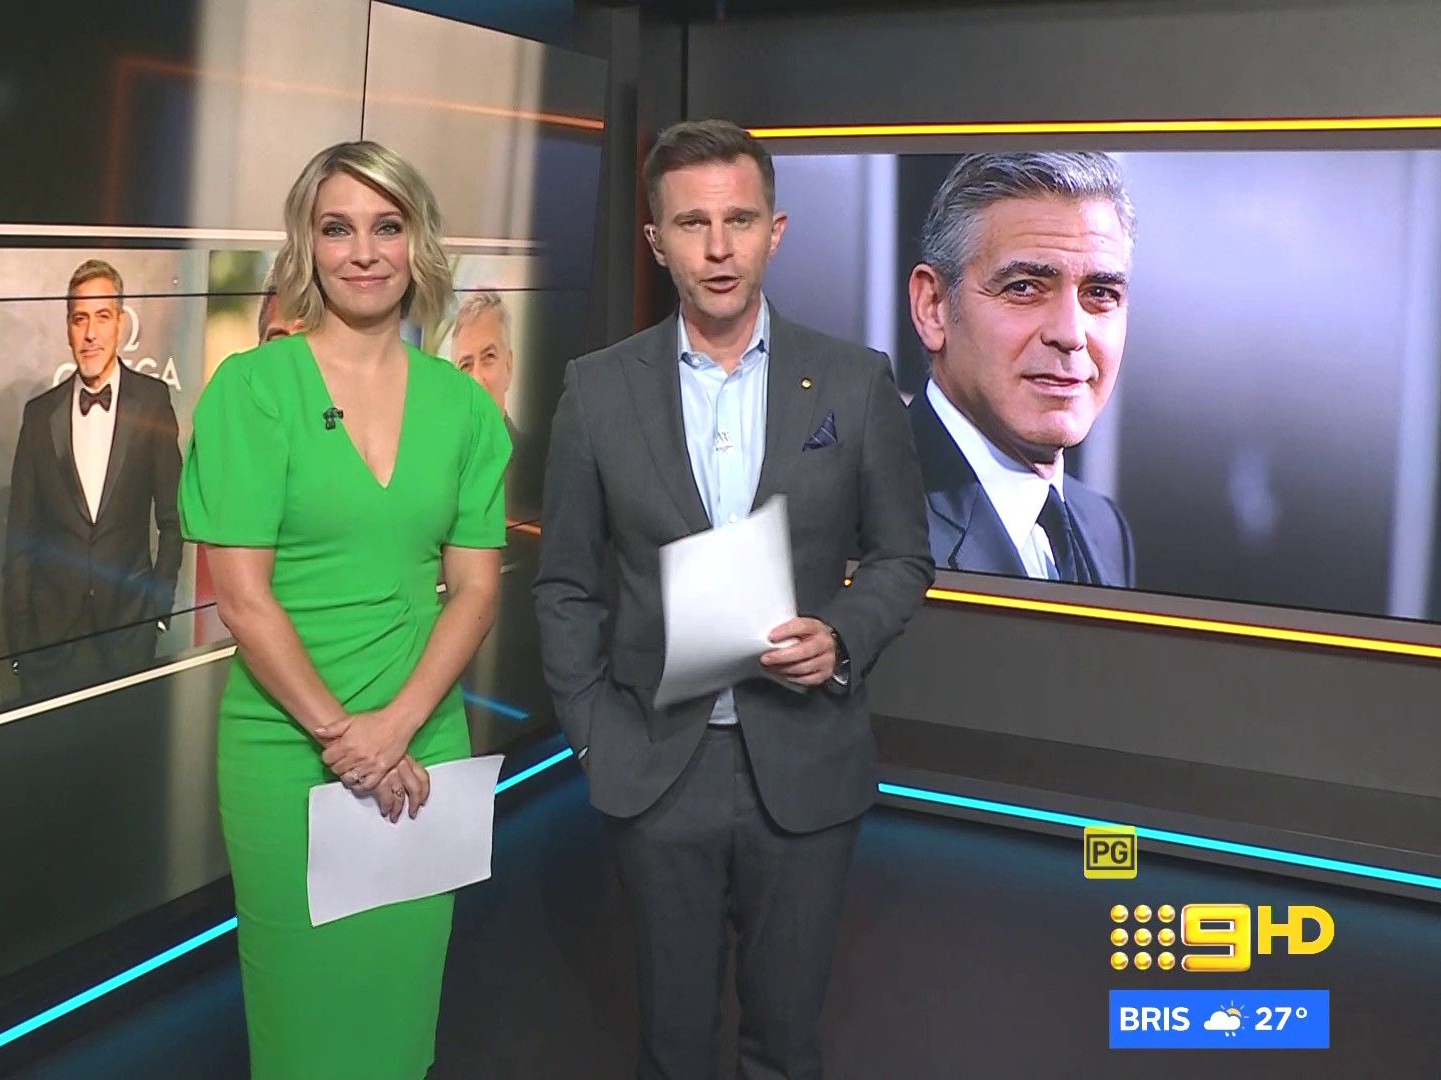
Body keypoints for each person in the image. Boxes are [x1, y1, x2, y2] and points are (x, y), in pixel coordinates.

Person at [534, 119, 933, 1079]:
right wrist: (594, 737)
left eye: (740, 221)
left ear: (775, 232)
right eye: (692, 224)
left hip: (805, 763)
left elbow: (902, 557)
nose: (718, 248)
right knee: (671, 1043)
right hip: (656, 767)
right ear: (655, 240)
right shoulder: (597, 392)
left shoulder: (855, 381)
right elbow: (567, 585)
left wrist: (840, 636)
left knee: (785, 1043)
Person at [181, 141, 508, 1079]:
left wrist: (394, 730)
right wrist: (344, 738)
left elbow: (476, 589)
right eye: (337, 228)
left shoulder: (465, 409)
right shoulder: (252, 391)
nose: (363, 251)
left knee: (398, 1017)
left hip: (421, 741)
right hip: (288, 746)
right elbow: (243, 600)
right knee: (303, 1024)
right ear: (308, 246)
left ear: (417, 243)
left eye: (386, 226)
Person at [905, 151, 1137, 587]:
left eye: (1100, 293)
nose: (1071, 334)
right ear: (933, 307)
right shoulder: (855, 521)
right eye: (1025, 287)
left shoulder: (1105, 529)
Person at [2, 259, 185, 701]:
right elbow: (20, 535)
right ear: (68, 328)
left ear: (120, 323)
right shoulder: (39, 415)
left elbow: (173, 519)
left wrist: (157, 612)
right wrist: (21, 643)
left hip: (128, 635)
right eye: (79, 318)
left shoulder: (152, 401)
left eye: (102, 317)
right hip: (49, 645)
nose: (90, 334)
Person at [449, 290, 520, 446]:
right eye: (466, 365)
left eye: (488, 357)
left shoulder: (538, 456)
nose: (477, 380)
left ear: (508, 367)